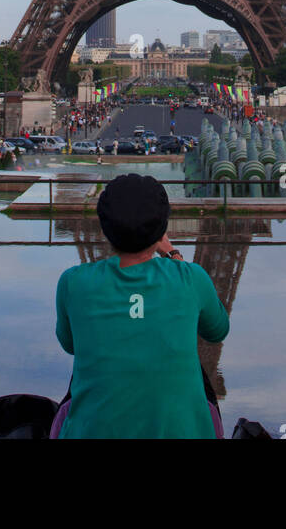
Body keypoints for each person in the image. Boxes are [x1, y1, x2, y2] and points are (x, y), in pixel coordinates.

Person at [53, 173, 229, 439]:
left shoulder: (73, 283)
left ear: (104, 227)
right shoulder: (190, 278)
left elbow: (71, 345)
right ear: (162, 228)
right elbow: (217, 331)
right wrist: (173, 254)